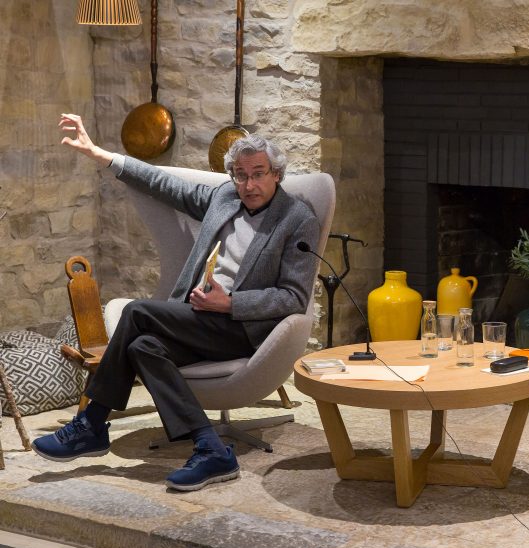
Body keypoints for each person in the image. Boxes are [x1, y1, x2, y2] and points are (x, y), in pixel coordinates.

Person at [32, 114, 320, 491]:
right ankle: (211, 449)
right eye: (241, 175)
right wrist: (102, 155)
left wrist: (230, 303)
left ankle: (92, 423)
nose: (249, 185)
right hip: (197, 319)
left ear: (276, 175)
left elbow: (293, 297)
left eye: (258, 174)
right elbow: (164, 184)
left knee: (137, 311)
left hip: (243, 329)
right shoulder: (225, 197)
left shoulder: (297, 219)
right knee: (142, 347)